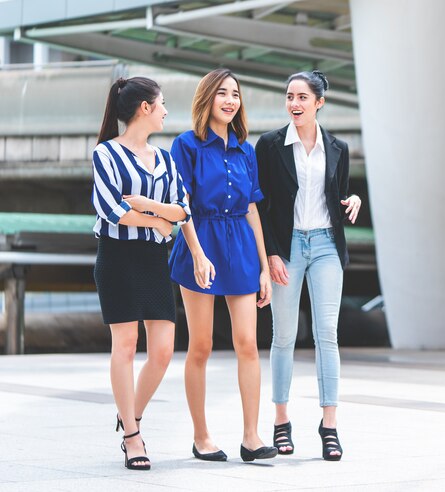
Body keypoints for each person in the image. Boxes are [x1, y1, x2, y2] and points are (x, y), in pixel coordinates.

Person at [168, 68, 277, 462]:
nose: (231, 100)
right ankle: (201, 437)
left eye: (236, 94)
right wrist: (198, 254)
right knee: (201, 345)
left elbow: (251, 209)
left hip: (242, 248)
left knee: (248, 343)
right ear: (207, 98)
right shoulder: (186, 145)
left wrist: (264, 267)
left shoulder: (246, 149)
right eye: (223, 94)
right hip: (201, 244)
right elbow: (181, 208)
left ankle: (251, 436)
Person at [255, 70, 361, 461]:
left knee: (326, 334)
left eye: (302, 97)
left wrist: (353, 201)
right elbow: (261, 206)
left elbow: (338, 193)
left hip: (326, 245)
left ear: (319, 102)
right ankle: (281, 420)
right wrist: (270, 254)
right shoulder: (269, 146)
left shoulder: (338, 147)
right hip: (287, 248)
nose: (294, 104)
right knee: (283, 336)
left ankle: (329, 424)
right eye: (289, 97)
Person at [92, 76, 190, 470]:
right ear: (144, 108)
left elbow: (182, 208)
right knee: (127, 344)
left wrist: (152, 206)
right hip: (116, 256)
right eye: (162, 103)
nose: (166, 111)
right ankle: (133, 437)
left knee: (164, 350)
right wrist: (157, 221)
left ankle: (129, 413)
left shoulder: (165, 157)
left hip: (152, 261)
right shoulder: (105, 154)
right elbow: (111, 209)